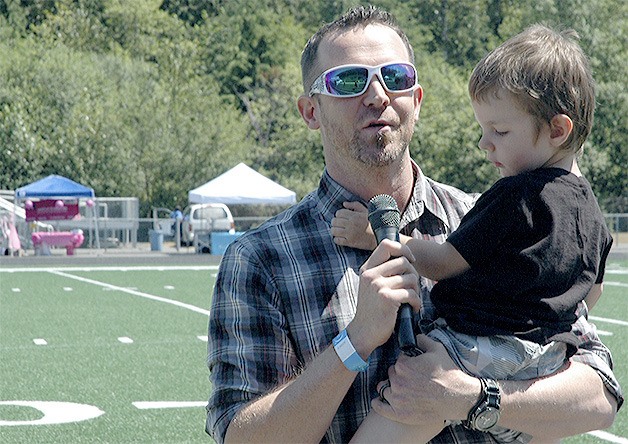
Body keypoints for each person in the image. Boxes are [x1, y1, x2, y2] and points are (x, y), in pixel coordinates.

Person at [205, 6, 622, 444]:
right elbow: (242, 438)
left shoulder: (494, 216)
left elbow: (599, 398)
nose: (377, 95)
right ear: (310, 111)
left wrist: (474, 398)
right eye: (348, 81)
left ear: (417, 101)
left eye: (396, 77)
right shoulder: (260, 259)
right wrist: (355, 342)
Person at [332, 24, 614, 443]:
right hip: (546, 367)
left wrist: (376, 236)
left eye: (500, 132)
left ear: (558, 130)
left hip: (472, 354)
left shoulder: (514, 196)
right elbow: (590, 296)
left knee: (402, 415)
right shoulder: (594, 218)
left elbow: (444, 262)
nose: (486, 143)